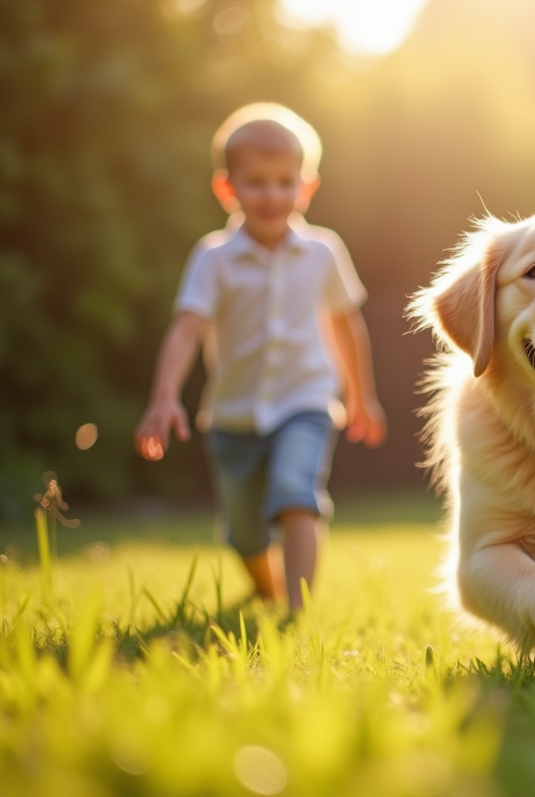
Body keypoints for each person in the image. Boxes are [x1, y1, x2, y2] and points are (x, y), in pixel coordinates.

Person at [134, 103, 387, 610]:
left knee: (298, 495)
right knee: (243, 533)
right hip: (232, 415)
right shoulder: (213, 257)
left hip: (306, 403)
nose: (272, 195)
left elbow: (345, 325)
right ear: (227, 188)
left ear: (306, 186)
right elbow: (186, 330)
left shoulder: (323, 252)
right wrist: (164, 398)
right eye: (256, 182)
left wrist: (362, 396)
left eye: (284, 181)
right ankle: (266, 586)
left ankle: (297, 613)